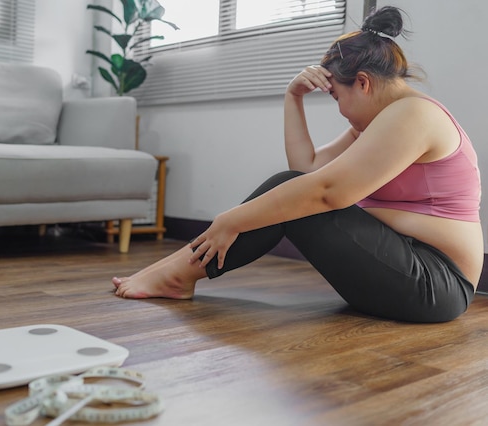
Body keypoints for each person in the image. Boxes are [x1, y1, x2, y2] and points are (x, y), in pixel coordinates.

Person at [112, 6, 482, 323]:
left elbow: (324, 193)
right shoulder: (378, 123)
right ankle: (176, 272)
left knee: (296, 195)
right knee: (292, 189)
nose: (338, 108)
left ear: (364, 83)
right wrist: (293, 96)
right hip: (404, 270)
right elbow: (307, 169)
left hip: (438, 284)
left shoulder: (414, 115)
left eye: (336, 95)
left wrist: (231, 220)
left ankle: (177, 274)